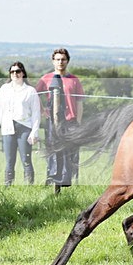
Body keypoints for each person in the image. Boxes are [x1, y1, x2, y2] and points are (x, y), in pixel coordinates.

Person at [36, 48, 84, 188]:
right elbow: (35, 95)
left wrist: (78, 121)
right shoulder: (45, 79)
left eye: (63, 59)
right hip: (53, 121)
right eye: (57, 59)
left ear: (67, 61)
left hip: (71, 120)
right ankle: (52, 179)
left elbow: (80, 102)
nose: (60, 62)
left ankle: (70, 181)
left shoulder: (74, 80)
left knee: (70, 151)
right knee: (54, 150)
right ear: (53, 61)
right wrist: (43, 111)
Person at [0, 62, 41, 186]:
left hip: (24, 127)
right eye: (12, 72)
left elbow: (36, 113)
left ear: (23, 73)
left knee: (26, 159)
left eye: (17, 71)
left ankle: (29, 186)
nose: (15, 74)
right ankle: (8, 186)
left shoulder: (30, 91)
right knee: (9, 160)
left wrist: (34, 132)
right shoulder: (4, 89)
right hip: (8, 127)